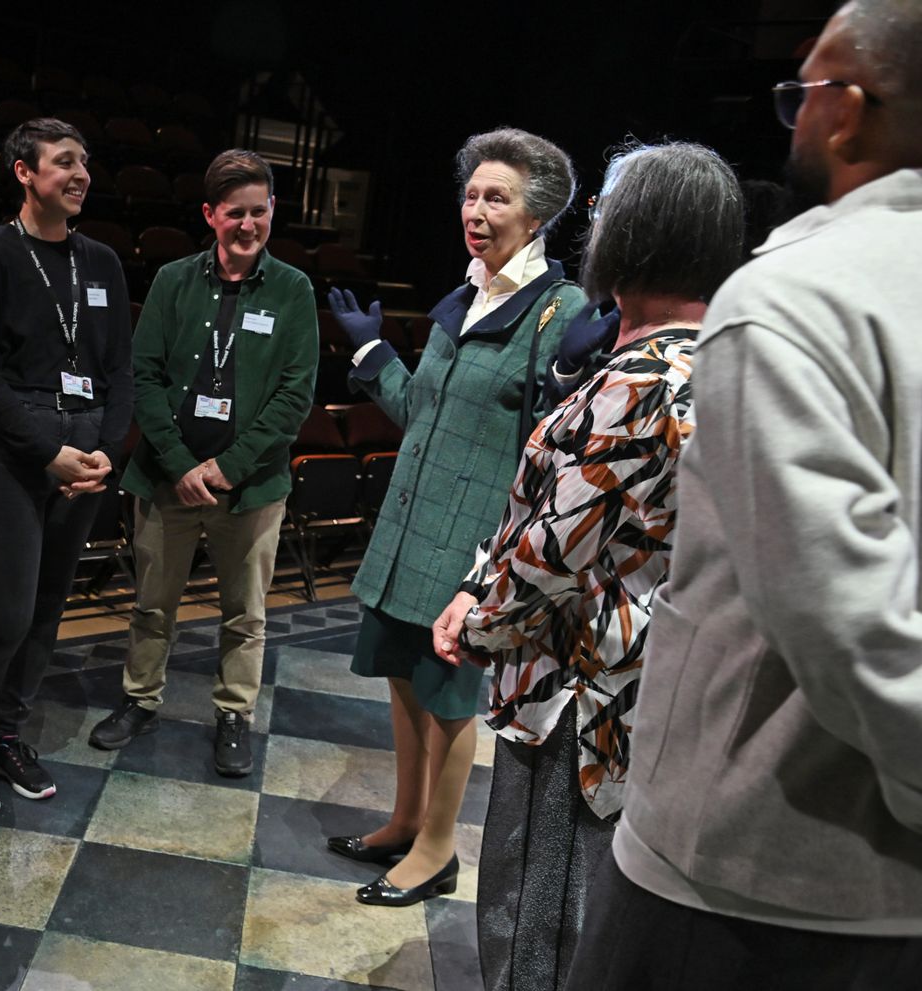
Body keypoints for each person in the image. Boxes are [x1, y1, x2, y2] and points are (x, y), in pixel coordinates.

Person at [568, 2, 922, 986]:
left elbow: (839, 616)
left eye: (799, 92)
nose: (793, 116)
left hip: (752, 870)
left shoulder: (790, 298)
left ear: (846, 108)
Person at [432, 142, 744, 990]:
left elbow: (550, 551)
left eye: (607, 210)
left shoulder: (642, 379)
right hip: (655, 678)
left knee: (537, 919)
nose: (595, 225)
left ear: (639, 235)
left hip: (578, 693)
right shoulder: (719, 359)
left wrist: (475, 611)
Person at [323, 128, 584, 906]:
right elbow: (419, 410)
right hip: (411, 528)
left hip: (471, 543)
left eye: (495, 197)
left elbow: (547, 451)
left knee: (448, 694)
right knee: (405, 678)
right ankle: (405, 819)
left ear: (536, 217)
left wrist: (493, 564)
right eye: (470, 194)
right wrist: (374, 359)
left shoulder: (556, 312)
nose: (475, 209)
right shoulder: (463, 298)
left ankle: (437, 850)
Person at [87, 149, 319, 777]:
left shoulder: (294, 290)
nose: (249, 225)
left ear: (272, 210)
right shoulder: (173, 281)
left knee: (245, 614)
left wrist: (226, 468)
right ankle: (139, 701)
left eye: (260, 211)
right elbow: (145, 375)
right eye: (235, 213)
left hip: (251, 489)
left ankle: (234, 714)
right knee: (150, 604)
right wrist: (183, 463)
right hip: (167, 480)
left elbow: (295, 396)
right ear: (210, 215)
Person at [0, 118, 132, 813]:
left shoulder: (104, 263)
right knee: (5, 613)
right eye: (64, 162)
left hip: (85, 453)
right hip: (17, 450)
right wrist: (48, 452)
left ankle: (6, 734)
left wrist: (104, 454)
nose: (80, 173)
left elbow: (118, 369)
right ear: (24, 172)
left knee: (50, 607)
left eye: (85, 161)